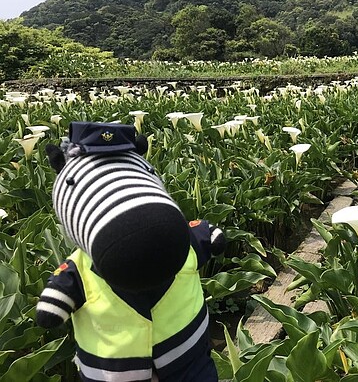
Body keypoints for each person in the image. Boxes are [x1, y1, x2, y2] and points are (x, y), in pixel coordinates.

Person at [36, 121, 225, 381]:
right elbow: (54, 304)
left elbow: (205, 236)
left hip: (189, 366)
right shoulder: (78, 272)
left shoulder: (184, 238)